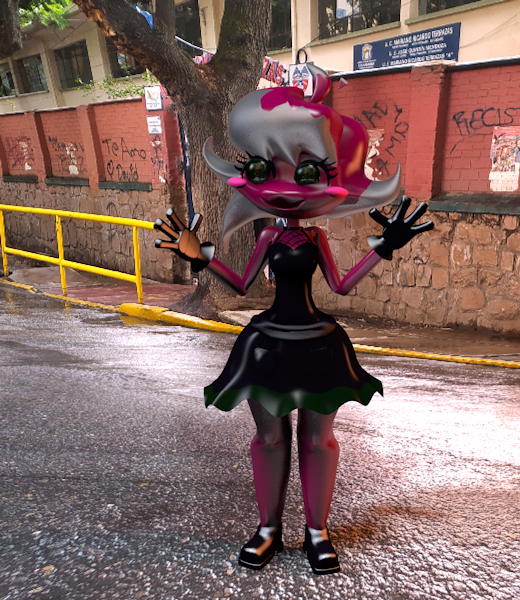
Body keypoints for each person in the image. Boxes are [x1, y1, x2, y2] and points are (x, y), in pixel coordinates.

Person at [154, 64, 433, 575]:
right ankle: (268, 530)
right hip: (268, 345)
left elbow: (341, 285)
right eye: (263, 168)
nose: (282, 185)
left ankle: (317, 532)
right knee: (269, 437)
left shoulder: (315, 237)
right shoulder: (267, 236)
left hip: (318, 344)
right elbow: (241, 283)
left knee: (318, 439)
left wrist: (383, 247)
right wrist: (199, 257)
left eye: (307, 172)